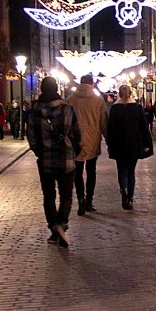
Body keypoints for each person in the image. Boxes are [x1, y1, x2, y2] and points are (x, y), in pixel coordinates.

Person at [27, 76, 81, 248]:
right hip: (66, 158)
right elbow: (76, 133)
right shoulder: (67, 108)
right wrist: (75, 150)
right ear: (56, 88)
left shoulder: (35, 110)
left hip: (45, 160)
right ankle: (61, 222)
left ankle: (53, 228)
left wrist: (39, 151)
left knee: (49, 195)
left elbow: (31, 135)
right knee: (66, 195)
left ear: (42, 89)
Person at [66, 74, 108, 214]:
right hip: (93, 138)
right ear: (92, 84)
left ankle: (81, 200)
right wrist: (107, 138)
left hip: (75, 140)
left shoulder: (70, 99)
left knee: (77, 172)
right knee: (91, 171)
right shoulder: (98, 100)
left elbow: (65, 121)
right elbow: (103, 122)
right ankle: (89, 201)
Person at [107, 84, 153, 210]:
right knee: (131, 172)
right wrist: (147, 143)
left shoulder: (115, 109)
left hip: (119, 145)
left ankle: (123, 189)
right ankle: (130, 199)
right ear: (131, 93)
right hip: (134, 144)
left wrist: (109, 144)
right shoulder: (137, 108)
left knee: (122, 170)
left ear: (119, 94)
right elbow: (144, 127)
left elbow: (110, 129)